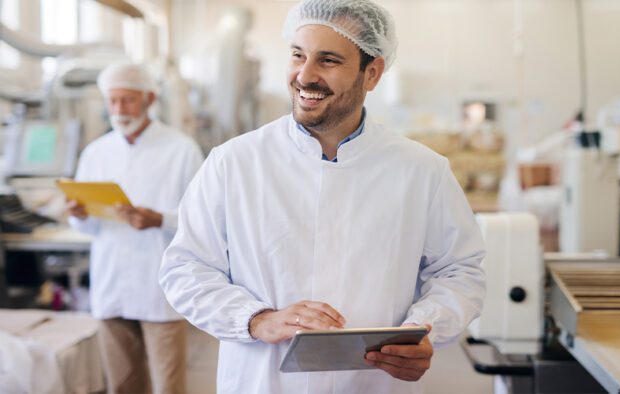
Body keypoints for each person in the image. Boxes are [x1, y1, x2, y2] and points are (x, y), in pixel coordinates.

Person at [160, 0, 486, 392]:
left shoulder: (422, 171)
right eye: (298, 55)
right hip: (263, 382)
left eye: (328, 60)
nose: (305, 75)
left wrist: (425, 328)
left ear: (373, 72)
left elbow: (459, 271)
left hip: (374, 383)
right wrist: (256, 318)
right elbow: (186, 268)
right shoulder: (234, 163)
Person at [67, 62, 204, 393]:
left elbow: (203, 221)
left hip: (160, 288)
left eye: (127, 100)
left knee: (168, 384)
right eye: (112, 101)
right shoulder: (96, 153)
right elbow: (86, 229)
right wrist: (79, 214)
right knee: (122, 384)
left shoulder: (181, 150)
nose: (118, 109)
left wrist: (159, 219)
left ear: (150, 99)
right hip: (111, 284)